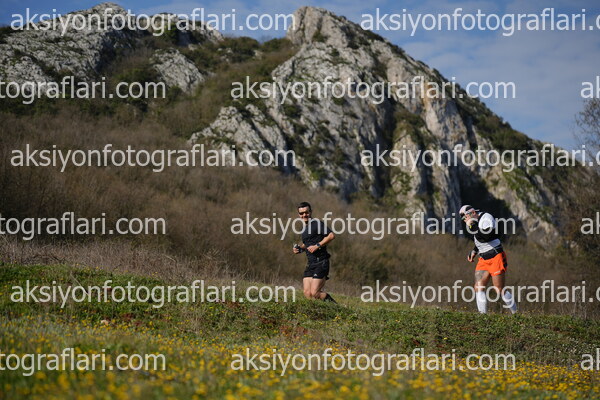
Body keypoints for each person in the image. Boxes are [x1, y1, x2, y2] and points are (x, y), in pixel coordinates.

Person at [459, 205, 517, 314]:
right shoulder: (473, 223)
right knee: (478, 287)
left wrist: (473, 226)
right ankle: (483, 316)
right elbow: (479, 239)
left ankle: (516, 314)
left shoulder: (486, 218)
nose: (465, 220)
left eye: (465, 217)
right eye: (463, 219)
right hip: (483, 258)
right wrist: (474, 251)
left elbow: (487, 236)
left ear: (472, 213)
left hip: (495, 256)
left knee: (499, 288)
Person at [293, 202, 336, 302]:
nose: (304, 215)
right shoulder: (304, 229)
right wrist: (300, 249)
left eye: (306, 212)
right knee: (307, 293)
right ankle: (318, 310)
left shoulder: (317, 223)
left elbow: (331, 236)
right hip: (311, 264)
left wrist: (318, 245)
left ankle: (336, 307)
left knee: (315, 293)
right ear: (299, 215)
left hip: (321, 262)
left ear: (311, 212)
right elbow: (307, 244)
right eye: (301, 213)